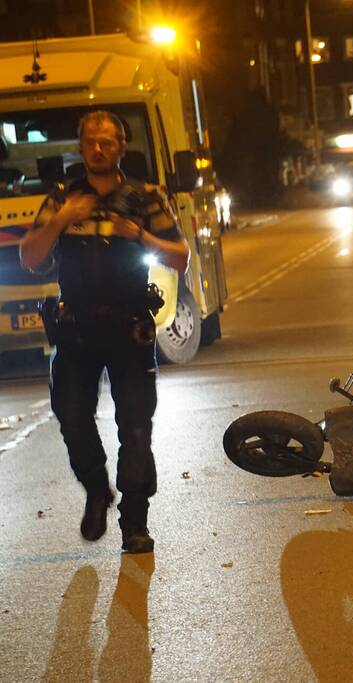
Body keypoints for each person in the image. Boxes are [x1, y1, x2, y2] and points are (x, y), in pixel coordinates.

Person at [20, 110, 189, 554]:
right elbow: (30, 257)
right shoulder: (62, 196)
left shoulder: (146, 196)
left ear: (121, 147)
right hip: (75, 326)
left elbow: (181, 256)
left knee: (135, 426)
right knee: (72, 416)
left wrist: (141, 235)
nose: (98, 148)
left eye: (107, 142)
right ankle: (97, 489)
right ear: (81, 145)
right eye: (91, 141)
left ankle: (135, 521)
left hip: (129, 324)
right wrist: (62, 219)